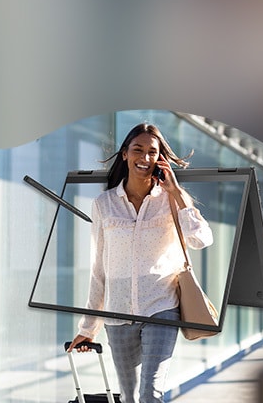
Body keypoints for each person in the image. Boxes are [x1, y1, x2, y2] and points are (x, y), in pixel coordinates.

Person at [68, 123, 213, 403]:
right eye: (138, 150)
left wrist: (178, 193)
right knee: (131, 397)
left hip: (161, 308)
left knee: (150, 394)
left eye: (152, 152)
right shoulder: (104, 204)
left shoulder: (170, 201)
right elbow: (99, 270)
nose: (145, 158)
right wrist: (88, 329)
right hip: (118, 314)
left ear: (161, 159)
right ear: (125, 154)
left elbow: (202, 240)